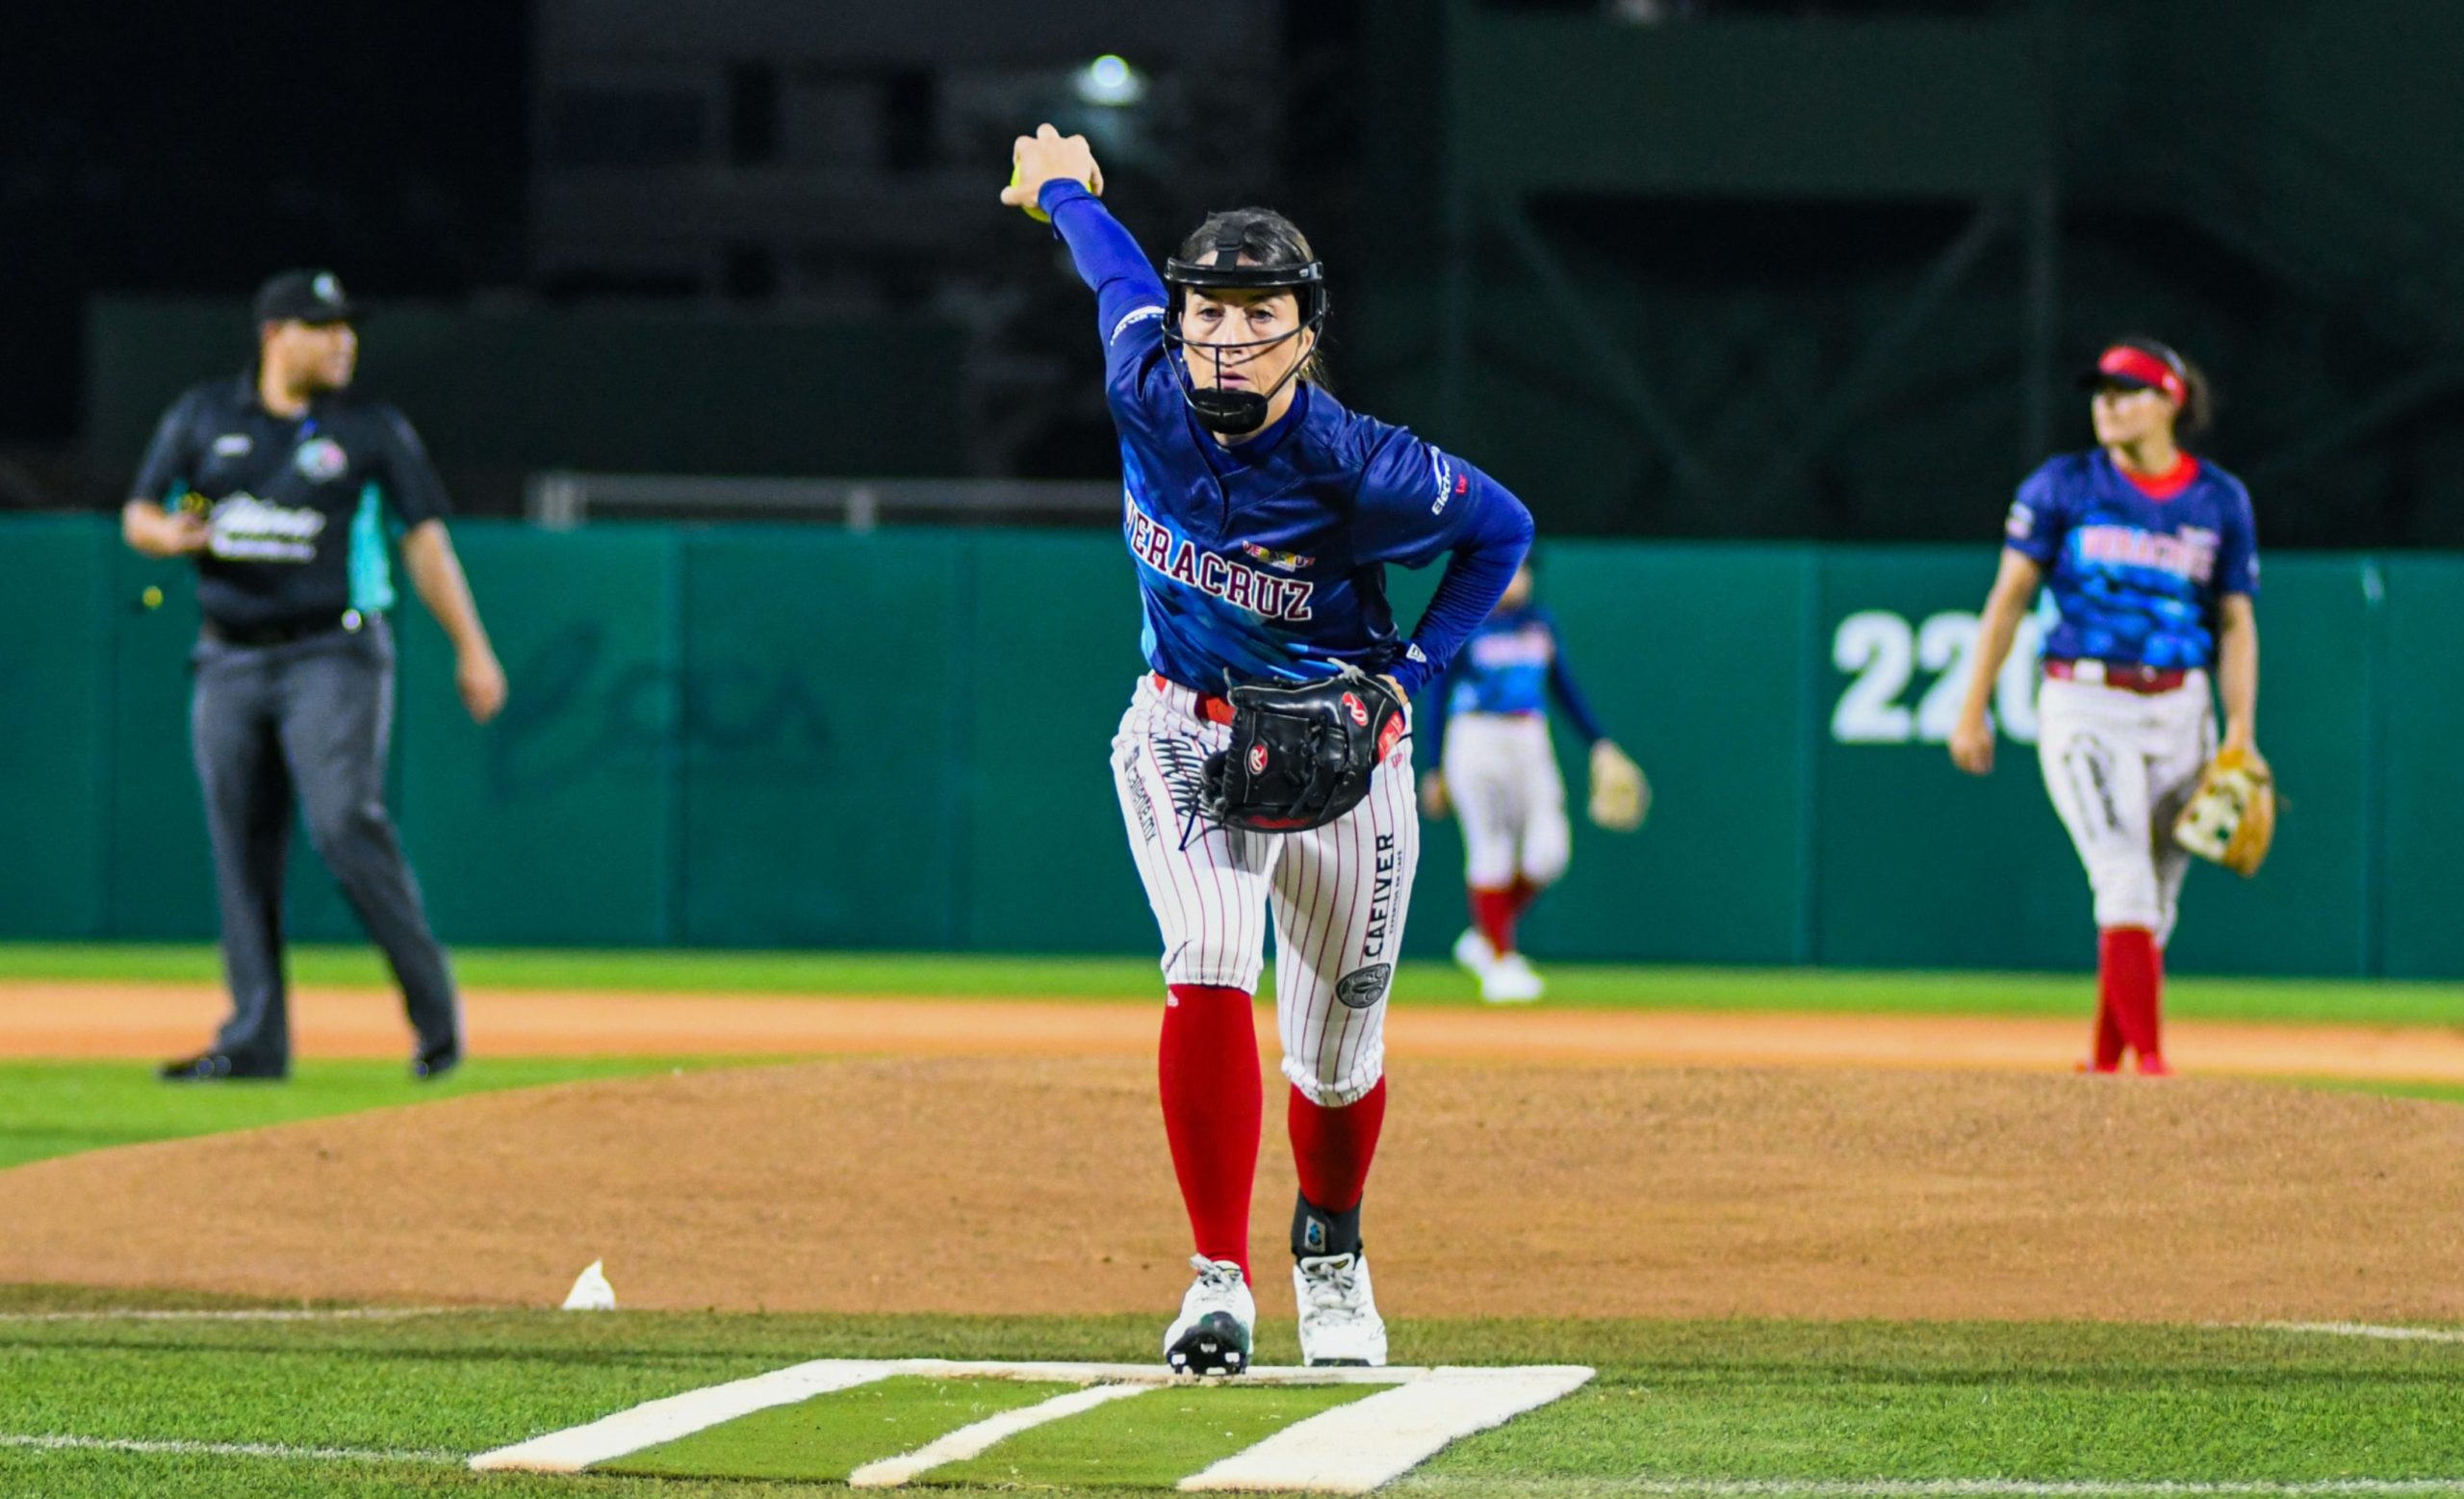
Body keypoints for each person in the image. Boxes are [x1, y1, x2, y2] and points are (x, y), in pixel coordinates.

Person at [1003, 125, 1533, 1372]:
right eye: (1210, 311)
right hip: (1186, 730)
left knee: (1340, 1054)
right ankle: (1216, 1279)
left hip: (1343, 756)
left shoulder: (1359, 465)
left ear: (1308, 330)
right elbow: (1114, 268)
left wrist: (1408, 677)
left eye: (1261, 314)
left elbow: (1499, 531)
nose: (1228, 336)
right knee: (1204, 952)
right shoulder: (1146, 378)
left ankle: (1332, 1255)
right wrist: (1064, 189)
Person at [121, 270, 507, 1084]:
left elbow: (425, 541)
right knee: (241, 848)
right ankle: (255, 1039)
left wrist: (472, 646)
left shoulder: (369, 429)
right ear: (273, 335)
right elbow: (140, 512)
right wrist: (170, 538)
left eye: (347, 328)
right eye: (323, 326)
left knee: (343, 824)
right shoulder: (205, 416)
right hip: (228, 656)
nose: (344, 341)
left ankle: (434, 1017)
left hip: (333, 653)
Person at [1948, 337, 2261, 1075]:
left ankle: (2102, 1076)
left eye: (2127, 390)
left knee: (2156, 903)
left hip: (2183, 706)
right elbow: (2009, 599)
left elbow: (2237, 623)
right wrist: (1972, 707)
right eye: (2101, 391)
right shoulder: (2061, 485)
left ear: (2169, 403)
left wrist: (2241, 731)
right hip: (2086, 700)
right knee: (2122, 878)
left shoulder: (2219, 499)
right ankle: (2151, 1067)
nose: (2107, 403)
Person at [1420, 558, 1647, 1002]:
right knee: (1492, 847)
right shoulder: (1464, 619)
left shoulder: (1540, 624)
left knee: (1549, 853)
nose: (1517, 579)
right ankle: (1500, 964)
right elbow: (1438, 696)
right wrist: (1433, 768)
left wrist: (1600, 742)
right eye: (1507, 569)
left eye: (1523, 570)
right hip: (1475, 736)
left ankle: (1485, 936)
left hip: (1530, 736)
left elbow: (1565, 688)